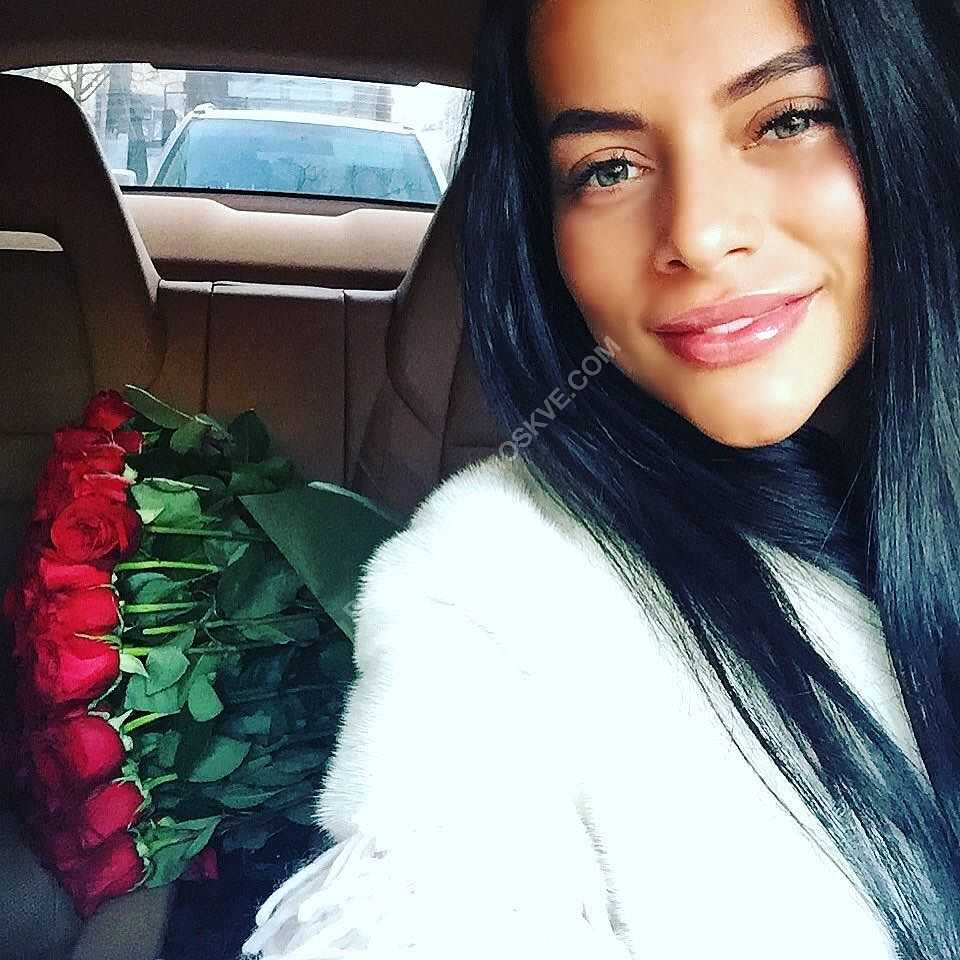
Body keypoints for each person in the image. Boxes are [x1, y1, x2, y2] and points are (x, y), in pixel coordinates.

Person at [243, 0, 960, 956]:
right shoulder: (497, 575)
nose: (699, 233)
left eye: (788, 119)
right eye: (608, 169)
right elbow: (433, 876)